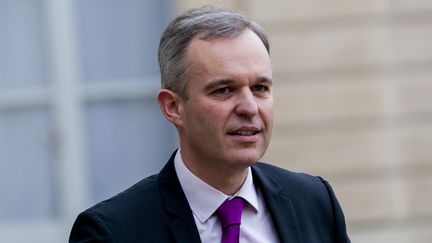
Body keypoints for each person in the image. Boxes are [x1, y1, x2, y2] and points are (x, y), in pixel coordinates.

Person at [69, 6, 350, 243]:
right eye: (224, 90)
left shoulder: (315, 202)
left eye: (260, 88)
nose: (249, 107)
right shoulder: (113, 232)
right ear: (173, 107)